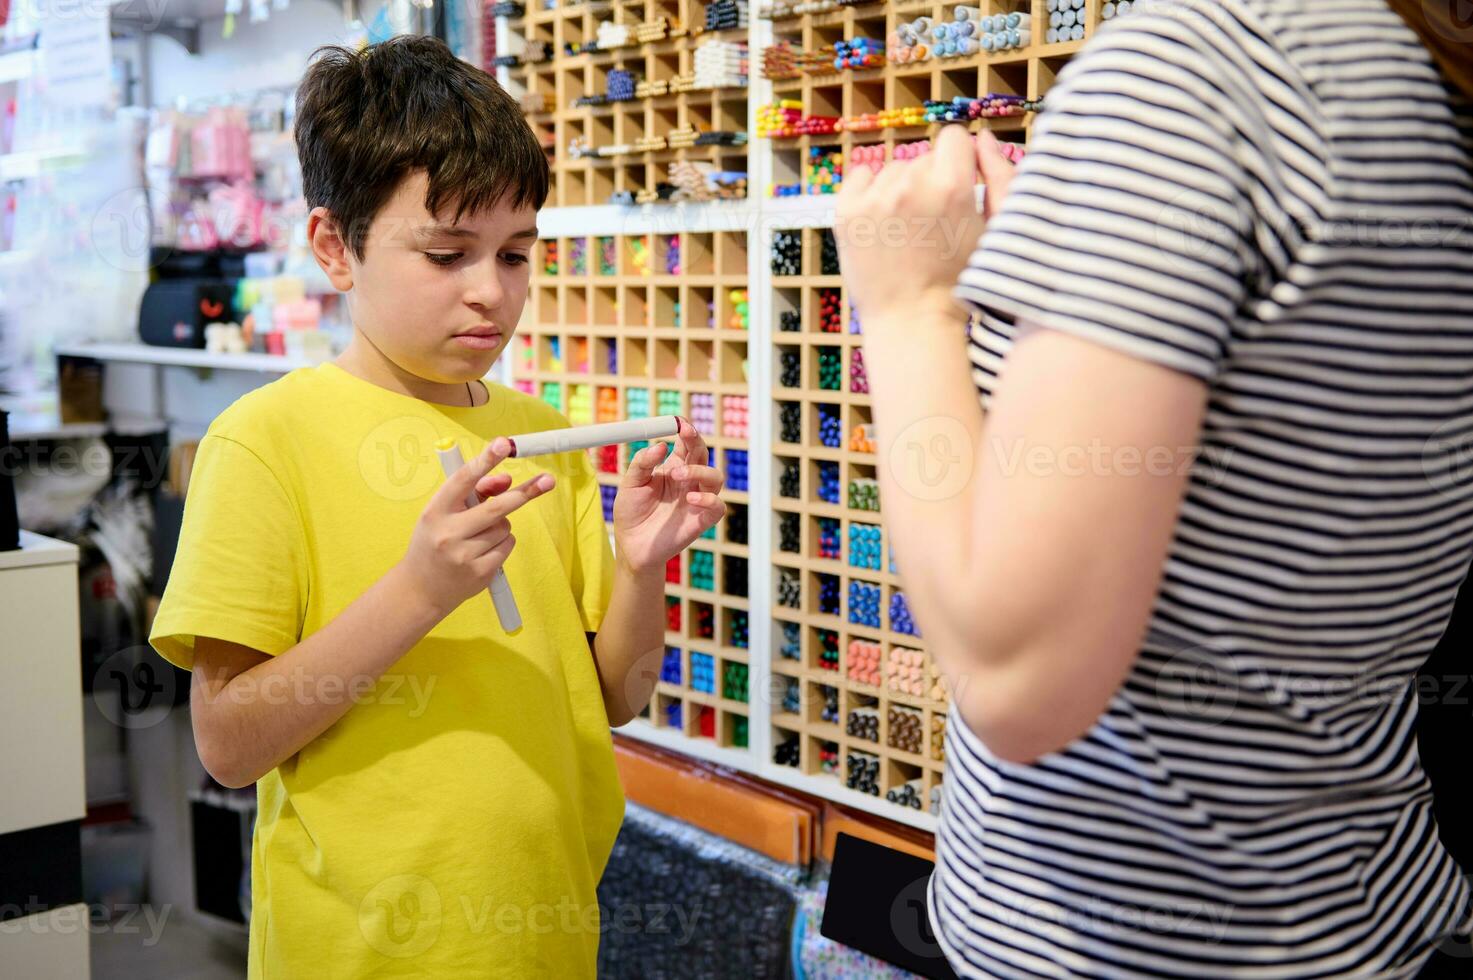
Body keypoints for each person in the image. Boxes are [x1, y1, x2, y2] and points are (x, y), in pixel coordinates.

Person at [836, 0, 1472, 975]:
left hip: (1129, 944)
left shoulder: (1211, 68)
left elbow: (1016, 674)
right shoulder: (1416, 85)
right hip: (1363, 910)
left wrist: (907, 305)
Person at [149, 36, 724, 978]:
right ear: (336, 246)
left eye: (515, 254)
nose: (490, 295)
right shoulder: (267, 440)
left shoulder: (544, 434)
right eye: (447, 253)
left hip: (544, 936)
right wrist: (419, 590)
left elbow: (616, 697)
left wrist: (638, 565)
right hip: (359, 953)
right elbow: (228, 744)